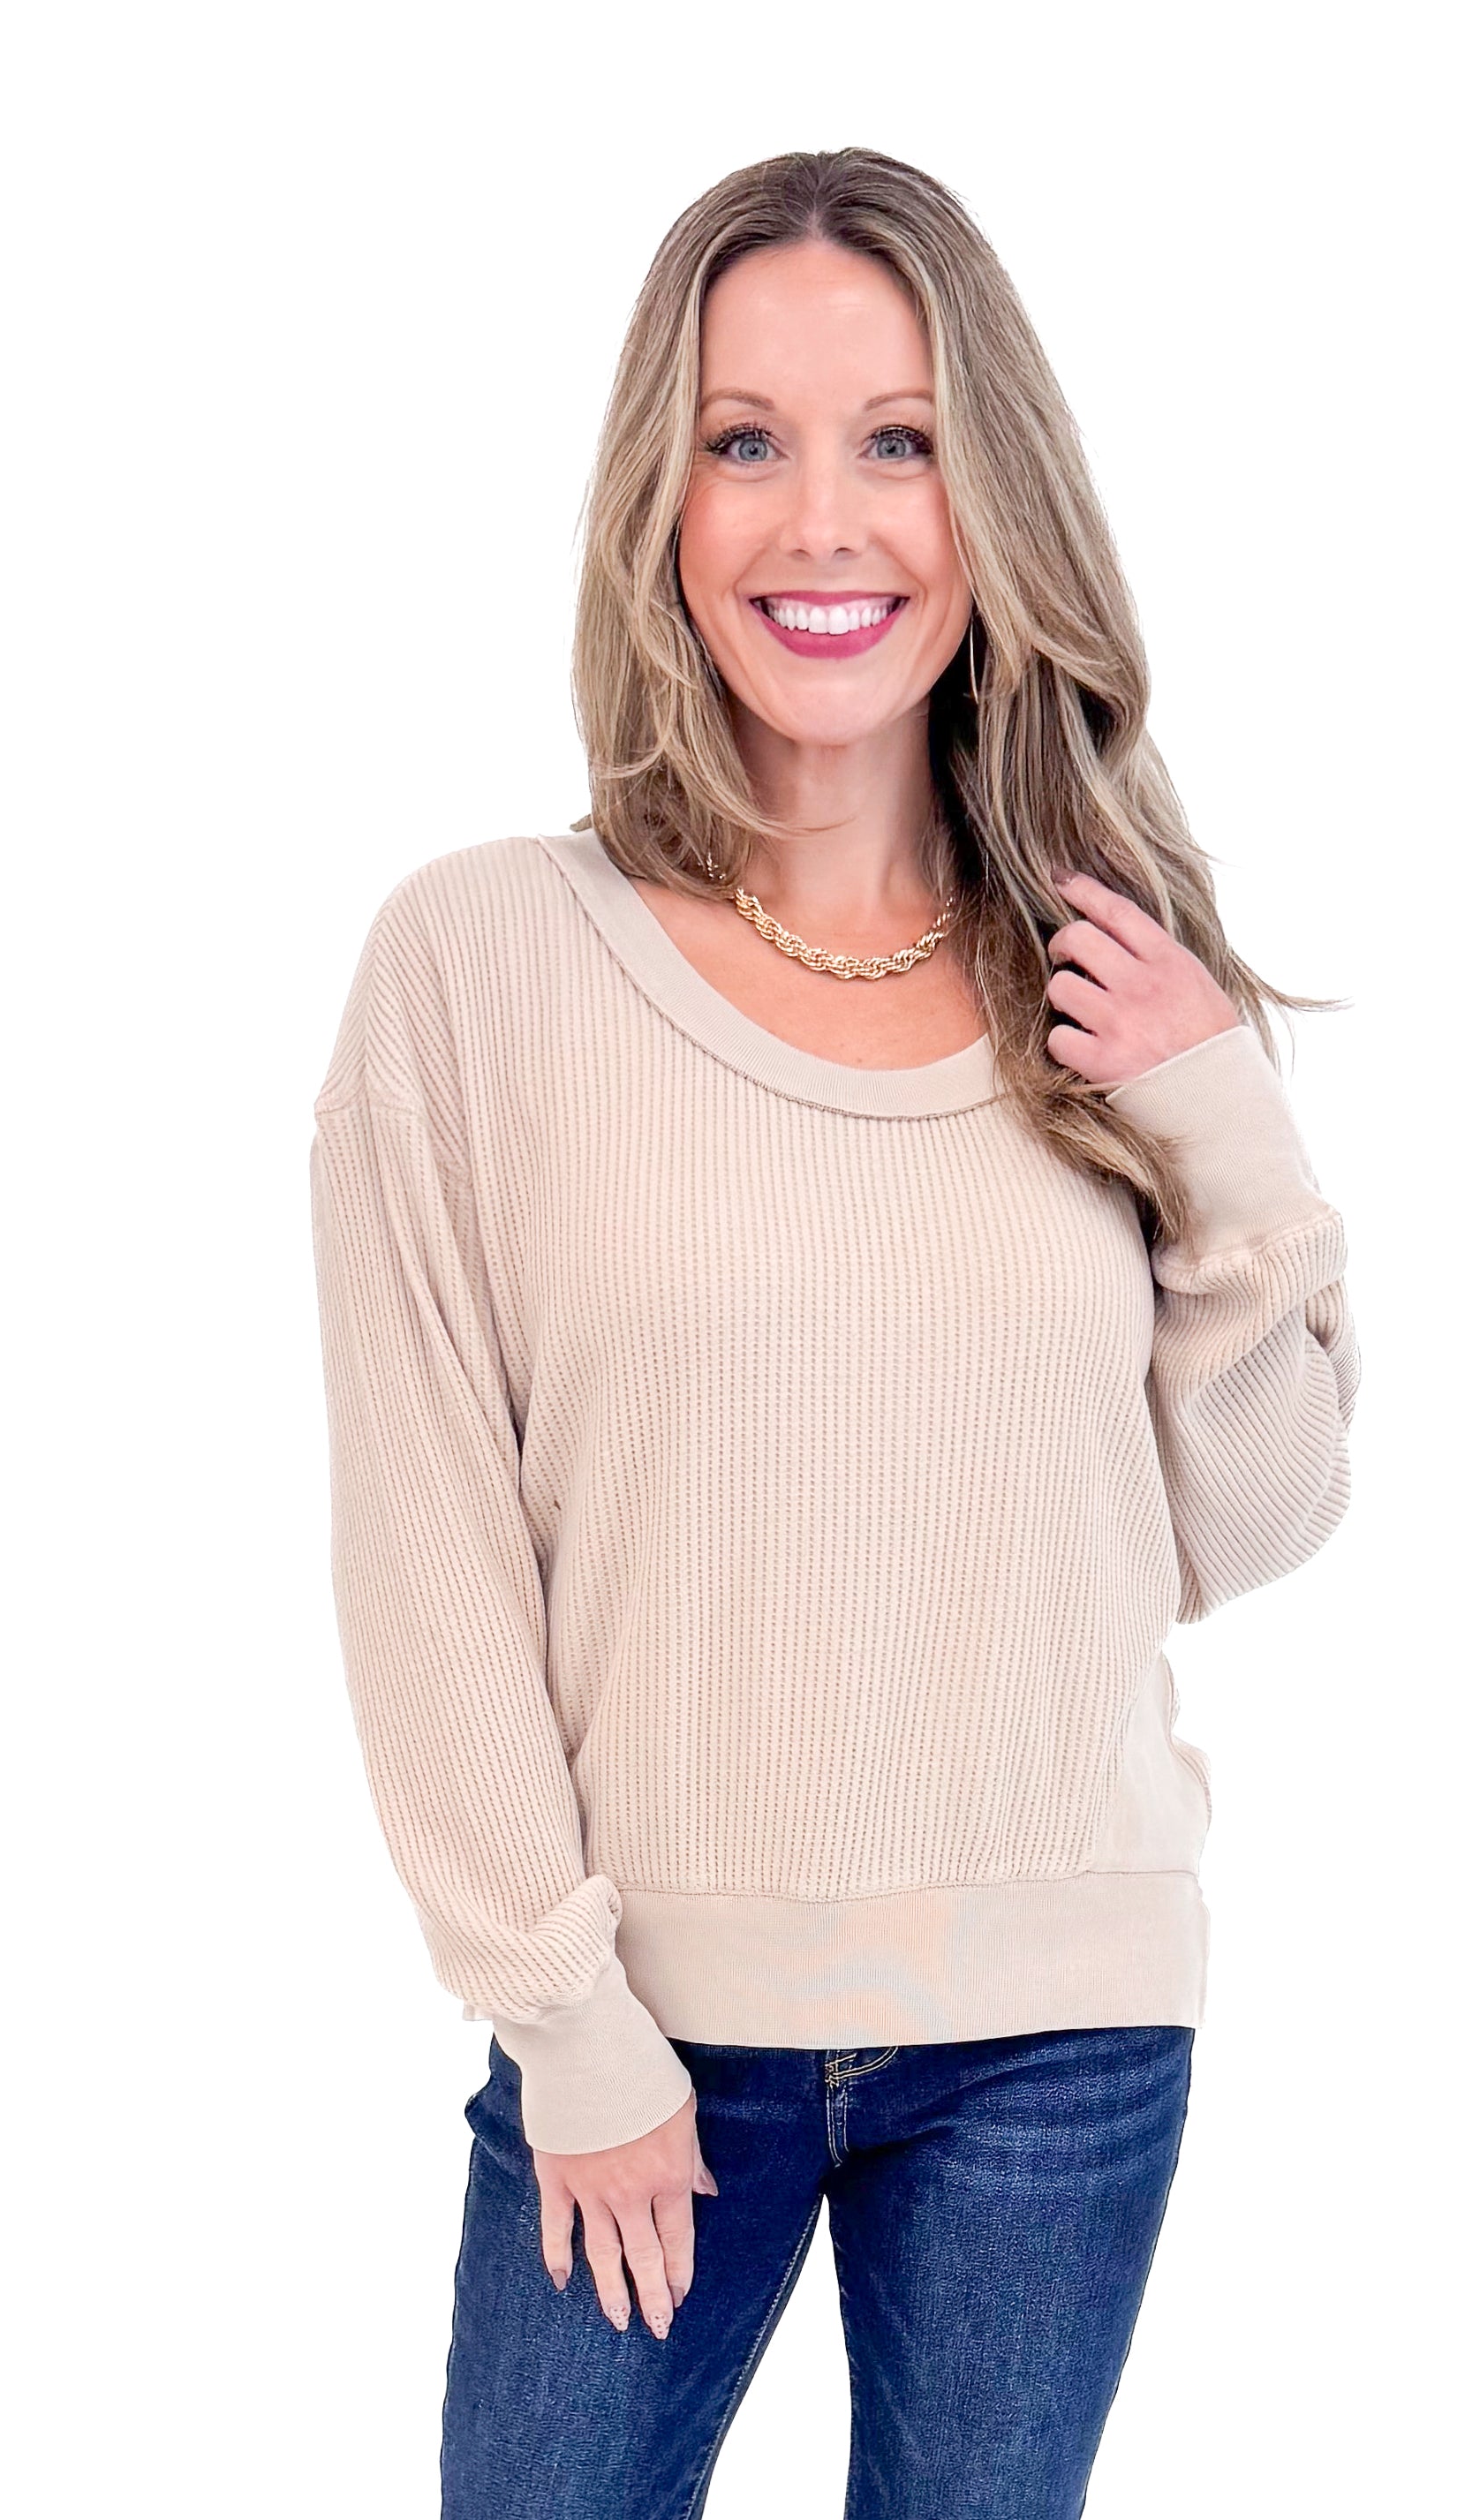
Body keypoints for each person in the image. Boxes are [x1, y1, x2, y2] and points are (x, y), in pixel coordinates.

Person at [309, 147, 1359, 2520]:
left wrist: (1227, 1135)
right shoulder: (483, 965)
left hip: (1060, 2041)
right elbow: (427, 1536)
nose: (825, 523)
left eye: (898, 440)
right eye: (745, 437)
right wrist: (565, 2017)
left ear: (989, 497)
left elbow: (1252, 1522)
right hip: (644, 2028)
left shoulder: (1107, 983)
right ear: (656, 502)